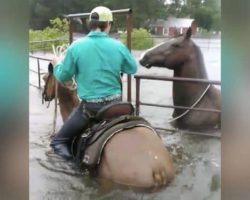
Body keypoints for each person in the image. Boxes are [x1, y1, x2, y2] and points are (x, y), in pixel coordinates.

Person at [50, 6, 137, 160]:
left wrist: (57, 64)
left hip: (90, 108)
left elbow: (63, 76)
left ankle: (75, 174)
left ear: (90, 23)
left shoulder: (76, 46)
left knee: (58, 141)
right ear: (109, 24)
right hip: (116, 104)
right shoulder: (118, 46)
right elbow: (132, 68)